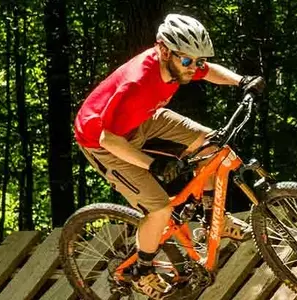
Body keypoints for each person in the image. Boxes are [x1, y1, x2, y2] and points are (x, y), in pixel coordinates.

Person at [73, 13, 265, 296]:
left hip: (143, 118)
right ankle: (141, 271)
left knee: (213, 146)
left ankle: (214, 220)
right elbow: (108, 138)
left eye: (198, 61)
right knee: (159, 209)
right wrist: (152, 164)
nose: (194, 68)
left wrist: (242, 81)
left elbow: (207, 71)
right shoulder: (137, 83)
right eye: (187, 61)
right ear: (164, 51)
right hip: (104, 142)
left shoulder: (179, 63)